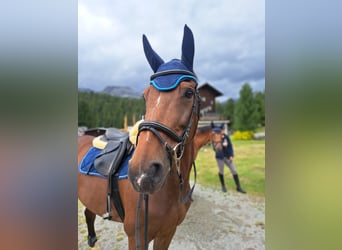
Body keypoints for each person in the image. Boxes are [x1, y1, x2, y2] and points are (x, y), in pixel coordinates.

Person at [211, 122, 246, 194]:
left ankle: (238, 187)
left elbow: (230, 146)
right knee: (221, 171)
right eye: (222, 130)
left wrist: (231, 155)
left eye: (223, 130)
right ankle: (223, 186)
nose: (223, 131)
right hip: (219, 157)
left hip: (227, 157)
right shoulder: (215, 138)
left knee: (234, 170)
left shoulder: (226, 137)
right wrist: (222, 145)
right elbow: (214, 148)